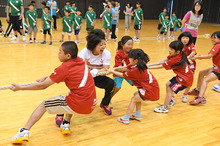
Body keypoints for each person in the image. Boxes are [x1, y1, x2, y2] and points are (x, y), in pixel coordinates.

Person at [10, 41, 97, 144]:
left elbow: (43, 86)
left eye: (60, 52)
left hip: (80, 103)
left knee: (44, 105)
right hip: (91, 103)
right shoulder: (80, 62)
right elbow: (70, 76)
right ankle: (66, 124)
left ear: (68, 56)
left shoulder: (64, 68)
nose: (58, 54)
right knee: (68, 96)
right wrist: (49, 77)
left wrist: (20, 88)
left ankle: (24, 131)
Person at [55, 29, 115, 127]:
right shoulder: (85, 52)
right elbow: (77, 68)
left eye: (104, 44)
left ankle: (104, 104)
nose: (103, 47)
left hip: (98, 76)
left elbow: (105, 70)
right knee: (75, 95)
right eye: (100, 44)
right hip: (84, 78)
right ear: (93, 45)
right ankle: (60, 112)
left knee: (111, 84)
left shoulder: (106, 53)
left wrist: (94, 73)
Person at [108, 49, 160, 124]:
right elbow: (124, 68)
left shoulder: (136, 70)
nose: (128, 59)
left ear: (135, 60)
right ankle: (137, 115)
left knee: (134, 99)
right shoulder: (136, 64)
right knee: (136, 95)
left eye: (130, 58)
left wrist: (112, 72)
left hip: (150, 90)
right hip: (150, 88)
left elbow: (123, 75)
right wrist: (114, 68)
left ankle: (126, 118)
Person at [149, 41, 193, 113]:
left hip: (185, 80)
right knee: (168, 83)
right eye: (169, 48)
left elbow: (161, 66)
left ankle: (164, 107)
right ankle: (171, 100)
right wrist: (160, 60)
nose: (169, 50)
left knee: (170, 88)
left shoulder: (175, 59)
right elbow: (166, 58)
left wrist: (148, 68)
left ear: (177, 51)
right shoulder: (179, 53)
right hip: (183, 76)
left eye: (171, 49)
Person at [188, 31, 220, 104]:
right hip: (216, 67)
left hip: (218, 69)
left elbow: (209, 56)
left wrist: (196, 57)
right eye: (212, 37)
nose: (212, 39)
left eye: (214, 38)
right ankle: (197, 90)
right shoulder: (217, 45)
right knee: (201, 73)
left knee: (205, 80)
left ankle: (200, 98)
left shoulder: (218, 45)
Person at [110, 36, 134, 107]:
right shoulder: (119, 54)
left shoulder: (132, 53)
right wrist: (128, 68)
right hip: (118, 72)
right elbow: (119, 67)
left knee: (137, 82)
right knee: (117, 88)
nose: (130, 46)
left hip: (128, 72)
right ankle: (108, 99)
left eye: (131, 44)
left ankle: (142, 95)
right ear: (122, 44)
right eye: (128, 44)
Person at [178, 32, 196, 103]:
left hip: (191, 65)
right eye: (183, 38)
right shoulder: (178, 45)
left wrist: (187, 58)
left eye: (187, 38)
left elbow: (193, 52)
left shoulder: (191, 45)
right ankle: (172, 94)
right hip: (182, 66)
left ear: (189, 39)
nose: (185, 40)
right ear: (180, 39)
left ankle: (185, 94)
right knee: (179, 80)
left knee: (190, 80)